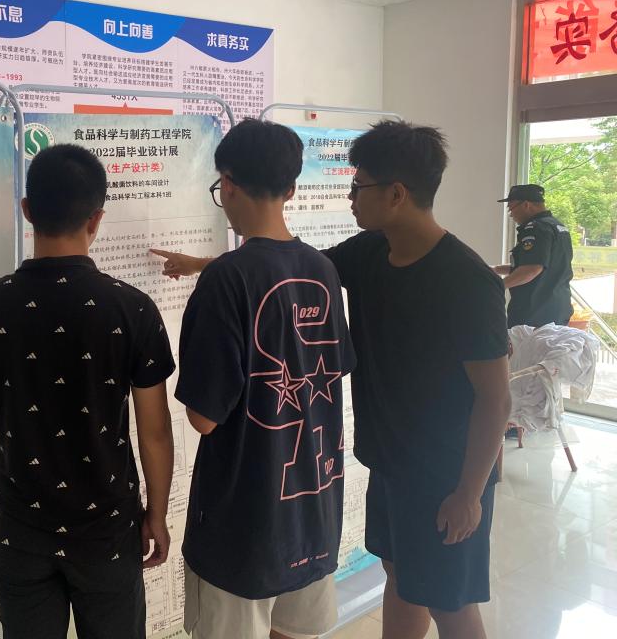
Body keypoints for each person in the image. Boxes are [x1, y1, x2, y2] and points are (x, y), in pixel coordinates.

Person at [152, 121, 511, 639]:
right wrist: (200, 264)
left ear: (396, 193)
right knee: (401, 577)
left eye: (358, 187)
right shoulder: (367, 253)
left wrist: (470, 493)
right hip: (388, 464)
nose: (350, 198)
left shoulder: (467, 280)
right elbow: (279, 266)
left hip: (445, 473)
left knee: (449, 600)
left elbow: (496, 401)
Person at [0, 144, 175, 639]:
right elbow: (155, 431)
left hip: (21, 528)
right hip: (107, 529)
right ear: (96, 219)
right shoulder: (133, 309)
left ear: (27, 210)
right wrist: (156, 515)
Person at [156, 119, 355, 639]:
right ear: (291, 189)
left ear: (227, 184)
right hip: (314, 509)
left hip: (243, 521)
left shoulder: (226, 278)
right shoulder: (323, 269)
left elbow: (203, 418)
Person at [493, 184, 574, 328]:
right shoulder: (557, 226)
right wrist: (495, 269)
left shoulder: (536, 228)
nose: (511, 214)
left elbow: (531, 269)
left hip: (535, 313)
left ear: (526, 205)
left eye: (511, 208)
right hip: (556, 309)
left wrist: (497, 286)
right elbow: (538, 265)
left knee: (523, 344)